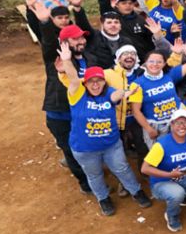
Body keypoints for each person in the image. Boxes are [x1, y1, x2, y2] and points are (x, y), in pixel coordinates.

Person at [56, 45, 152, 215]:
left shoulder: (108, 93)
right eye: (91, 81)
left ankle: (136, 192)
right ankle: (103, 198)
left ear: (104, 82)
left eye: (99, 81)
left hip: (111, 145)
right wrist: (66, 60)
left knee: (122, 169)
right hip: (84, 149)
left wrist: (126, 93)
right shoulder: (78, 95)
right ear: (85, 83)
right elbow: (72, 78)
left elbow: (116, 95)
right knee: (94, 175)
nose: (95, 84)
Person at [140, 108, 186, 232]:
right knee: (177, 194)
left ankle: (183, 195)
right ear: (172, 124)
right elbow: (145, 168)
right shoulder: (161, 144)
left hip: (184, 176)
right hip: (162, 181)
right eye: (178, 122)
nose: (182, 125)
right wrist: (169, 174)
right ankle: (172, 215)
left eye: (185, 122)